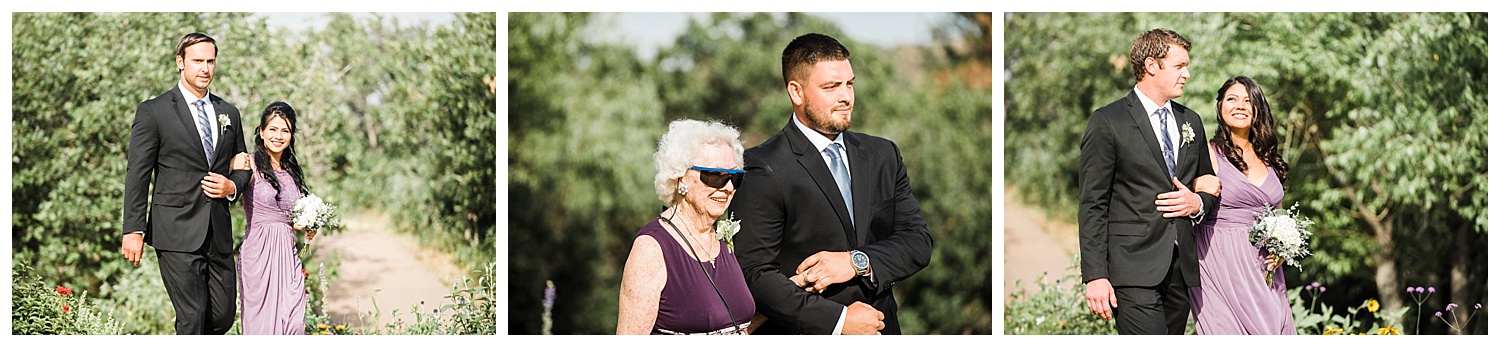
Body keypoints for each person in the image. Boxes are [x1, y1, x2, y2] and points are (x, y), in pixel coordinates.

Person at [727, 33, 933, 335]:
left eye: (849, 83)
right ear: (796, 92)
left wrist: (855, 261)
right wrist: (838, 321)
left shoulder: (883, 155)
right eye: (831, 87)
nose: (846, 96)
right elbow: (754, 274)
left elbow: (918, 242)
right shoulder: (763, 165)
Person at [1077, 28, 1220, 335]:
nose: (1188, 74)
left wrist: (1198, 203)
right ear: (1152, 66)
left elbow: (1208, 180)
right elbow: (1092, 204)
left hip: (1182, 269)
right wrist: (1095, 275)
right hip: (1131, 267)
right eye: (1180, 66)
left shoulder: (1190, 121)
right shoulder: (1108, 121)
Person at [121, 32, 250, 334]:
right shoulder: (154, 111)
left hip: (217, 230)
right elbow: (137, 174)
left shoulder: (228, 113)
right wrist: (133, 229)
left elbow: (244, 164)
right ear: (180, 62)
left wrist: (232, 187)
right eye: (197, 61)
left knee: (222, 316)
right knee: (192, 317)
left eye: (210, 61)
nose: (205, 68)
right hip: (175, 230)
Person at [617, 119, 755, 335]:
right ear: (679, 178)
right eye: (715, 176)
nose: (728, 187)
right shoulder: (651, 249)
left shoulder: (723, 238)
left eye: (734, 177)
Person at [1187, 76, 1295, 334]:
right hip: (1219, 260)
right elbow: (1183, 191)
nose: (1241, 106)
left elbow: (1278, 213)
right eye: (1232, 99)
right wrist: (1195, 186)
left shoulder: (1270, 158)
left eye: (1248, 101)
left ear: (1257, 110)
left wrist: (1283, 246)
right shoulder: (1209, 153)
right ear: (1219, 108)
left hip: (1263, 268)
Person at [229, 102, 314, 334]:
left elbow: (295, 227)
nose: (278, 136)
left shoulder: (292, 172)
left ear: (291, 135)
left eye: (285, 130)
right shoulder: (249, 164)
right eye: (273, 129)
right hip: (258, 254)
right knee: (261, 328)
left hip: (288, 255)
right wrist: (230, 163)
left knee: (295, 324)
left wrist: (307, 231)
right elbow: (219, 178)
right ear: (262, 132)